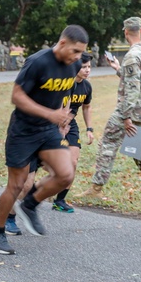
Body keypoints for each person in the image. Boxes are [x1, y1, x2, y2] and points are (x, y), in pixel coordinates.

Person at [0, 25, 88, 255]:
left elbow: (66, 91)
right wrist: (50, 114)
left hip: (48, 129)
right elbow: (16, 96)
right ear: (62, 43)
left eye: (81, 52)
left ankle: (30, 204)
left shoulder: (73, 65)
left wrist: (62, 116)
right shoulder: (38, 62)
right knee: (16, 185)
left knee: (66, 173)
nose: (78, 57)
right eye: (75, 51)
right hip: (23, 131)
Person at [90, 17, 141, 200]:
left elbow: (132, 89)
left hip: (129, 111)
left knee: (108, 142)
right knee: (138, 151)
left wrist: (126, 117)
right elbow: (137, 80)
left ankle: (95, 190)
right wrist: (118, 68)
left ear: (125, 32)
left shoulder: (132, 56)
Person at [51, 52, 95, 212]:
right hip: (54, 123)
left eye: (89, 67)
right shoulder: (65, 84)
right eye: (84, 67)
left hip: (71, 125)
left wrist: (89, 129)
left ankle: (60, 200)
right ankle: (34, 189)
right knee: (48, 162)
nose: (87, 70)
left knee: (73, 162)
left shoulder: (87, 86)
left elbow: (86, 107)